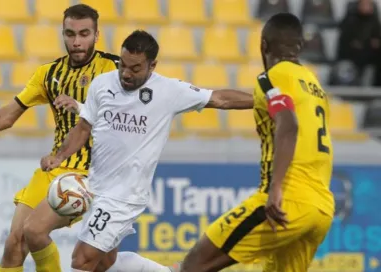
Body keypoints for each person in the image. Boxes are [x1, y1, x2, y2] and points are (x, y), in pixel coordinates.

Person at [0, 4, 128, 272]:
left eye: (84, 34)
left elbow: (132, 116)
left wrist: (83, 107)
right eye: (70, 34)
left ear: (96, 35)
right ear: (63, 34)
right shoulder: (48, 74)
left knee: (89, 255)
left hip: (96, 175)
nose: (76, 41)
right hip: (55, 168)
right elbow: (8, 115)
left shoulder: (115, 70)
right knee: (15, 243)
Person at [42, 29, 254, 272]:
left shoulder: (168, 91)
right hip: (96, 189)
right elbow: (83, 128)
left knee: (82, 259)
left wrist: (262, 100)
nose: (126, 73)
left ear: (152, 66)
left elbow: (219, 99)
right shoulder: (102, 85)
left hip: (125, 196)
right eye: (123, 65)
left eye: (135, 68)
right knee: (104, 265)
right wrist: (58, 156)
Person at [176, 13, 335, 272]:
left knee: (194, 263)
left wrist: (276, 188)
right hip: (321, 208)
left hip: (286, 202)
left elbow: (289, 124)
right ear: (299, 47)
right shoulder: (314, 85)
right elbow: (281, 112)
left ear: (263, 45)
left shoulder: (269, 78)